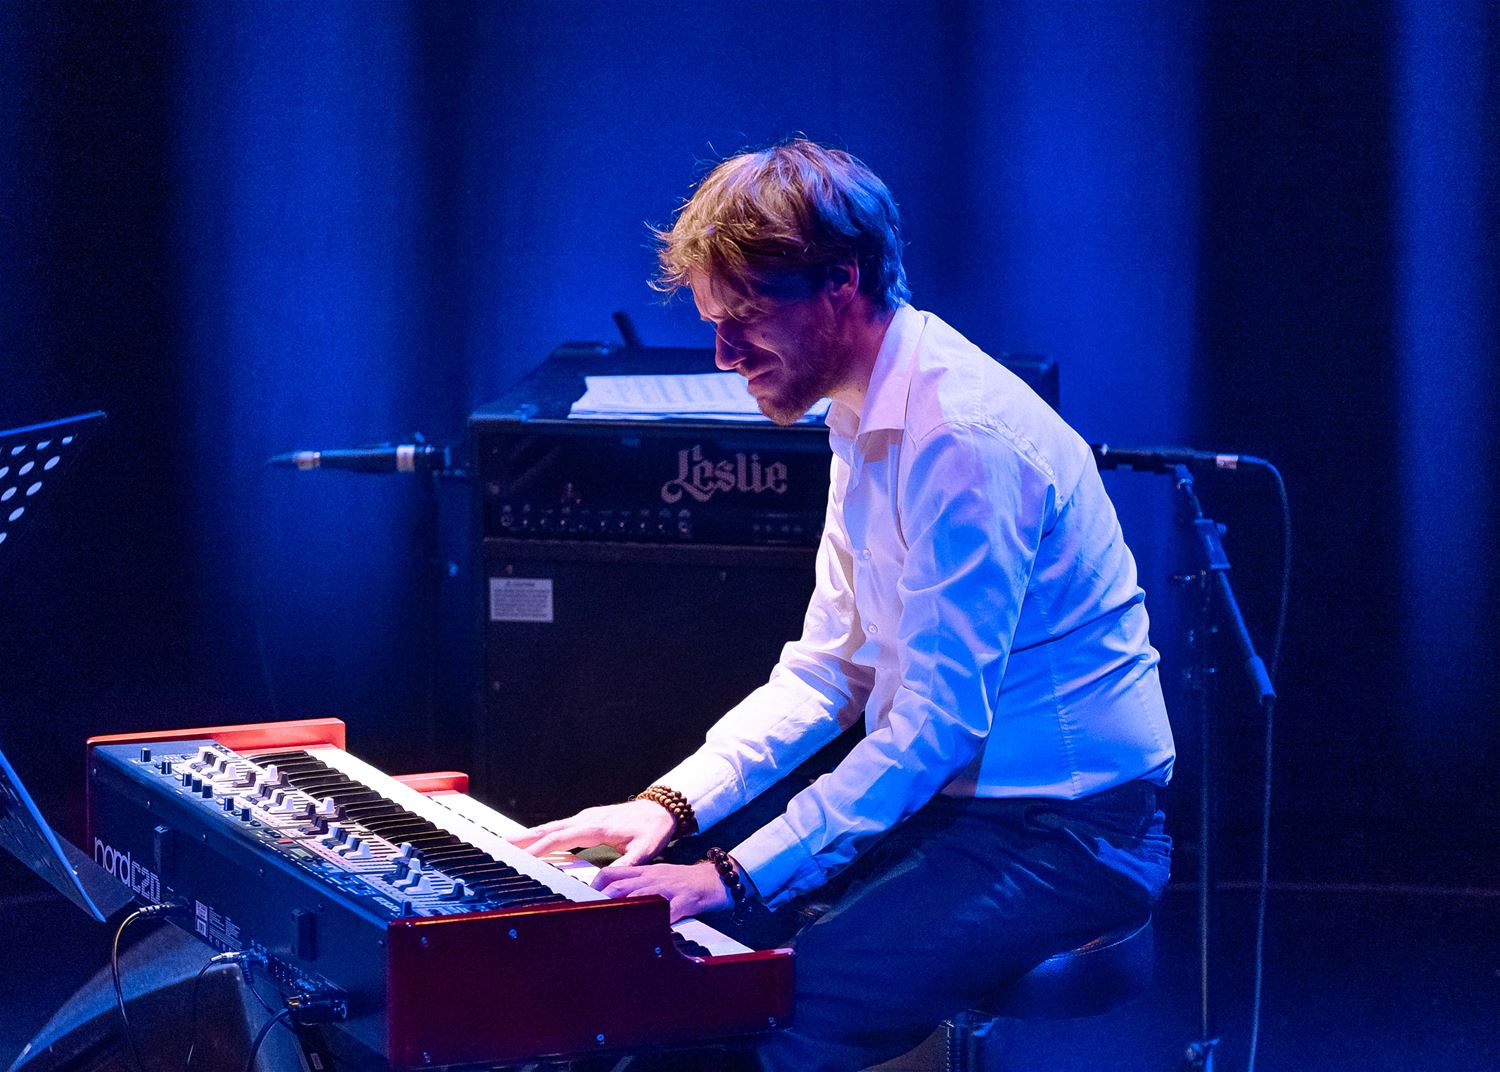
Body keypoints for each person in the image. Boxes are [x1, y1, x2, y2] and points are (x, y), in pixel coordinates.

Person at [513, 139, 1175, 1072]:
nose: (723, 355)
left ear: (841, 282)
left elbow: (934, 728)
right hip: (962, 812)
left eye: (745, 317)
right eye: (714, 321)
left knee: (771, 1012)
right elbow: (828, 670)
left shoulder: (963, 440)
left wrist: (730, 873)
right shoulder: (861, 412)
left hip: (1067, 835)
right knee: (656, 970)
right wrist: (667, 807)